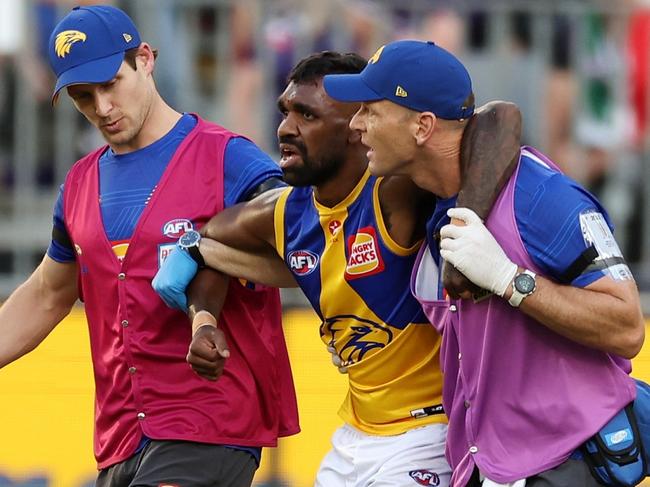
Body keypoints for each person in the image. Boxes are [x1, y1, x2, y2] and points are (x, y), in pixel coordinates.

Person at [153, 51, 521, 486]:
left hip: (430, 432)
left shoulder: (394, 191)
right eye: (285, 111)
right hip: (353, 437)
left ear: (356, 128)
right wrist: (204, 320)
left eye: (306, 115)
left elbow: (501, 119)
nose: (285, 128)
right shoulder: (283, 213)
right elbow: (208, 243)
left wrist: (467, 228)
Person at [322, 39, 646, 486]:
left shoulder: (539, 196)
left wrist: (510, 280)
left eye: (370, 110)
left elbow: (627, 327)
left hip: (563, 461)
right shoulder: (430, 204)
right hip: (485, 465)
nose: (356, 125)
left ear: (422, 127)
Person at [0, 5, 299, 486]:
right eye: (82, 96)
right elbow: (47, 293)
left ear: (145, 59)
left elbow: (304, 253)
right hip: (119, 437)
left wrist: (209, 256)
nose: (101, 108)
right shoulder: (78, 184)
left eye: (111, 83)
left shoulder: (228, 158)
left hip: (210, 421)